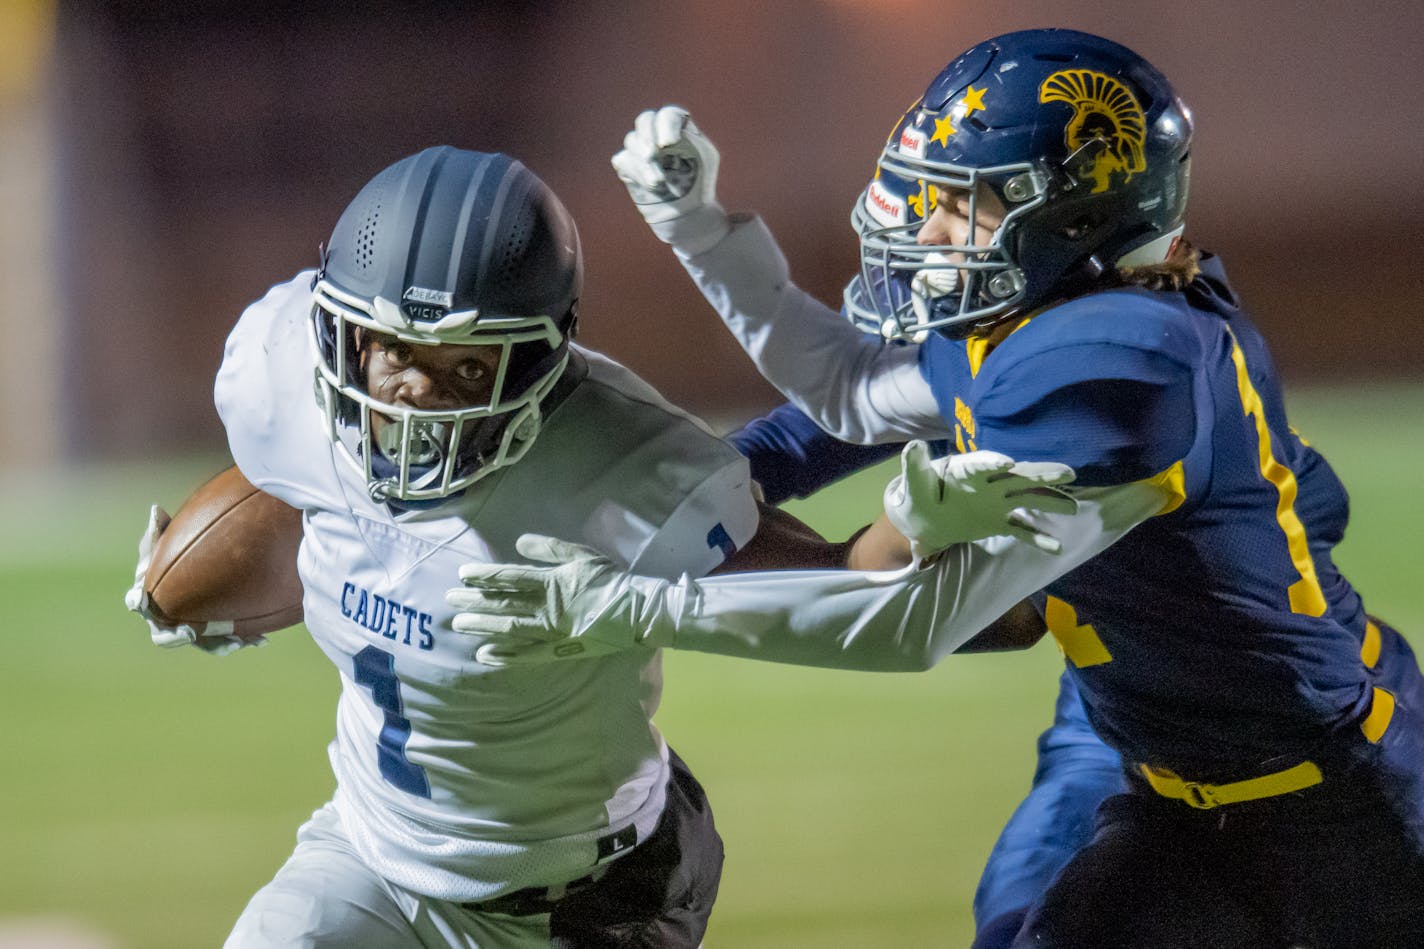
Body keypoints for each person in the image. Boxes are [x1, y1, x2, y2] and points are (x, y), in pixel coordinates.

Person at [450, 29, 1424, 948]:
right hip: (1175, 781)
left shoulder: (1121, 366)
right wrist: (698, 234)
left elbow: (909, 622)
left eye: (966, 201)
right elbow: (844, 395)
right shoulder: (1048, 315)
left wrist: (621, 608)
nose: (930, 224)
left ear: (1075, 212)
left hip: (1342, 806)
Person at [123, 146, 1075, 948]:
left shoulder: (625, 470)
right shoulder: (277, 371)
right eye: (390, 349)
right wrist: (231, 584)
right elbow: (329, 522)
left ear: (538, 361)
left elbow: (845, 606)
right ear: (334, 333)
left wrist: (927, 531)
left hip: (585, 904)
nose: (412, 393)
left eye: (465, 364)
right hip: (368, 855)